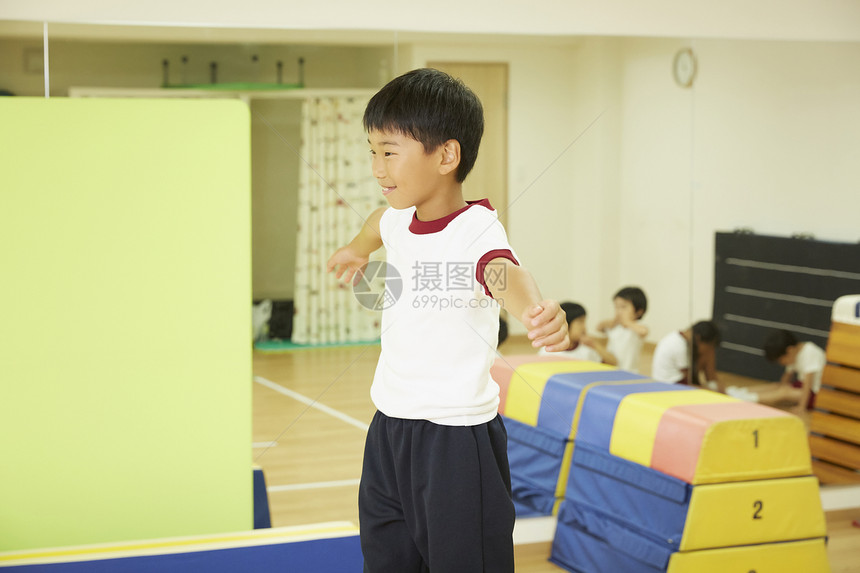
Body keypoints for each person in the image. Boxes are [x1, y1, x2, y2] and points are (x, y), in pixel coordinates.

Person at [326, 68, 569, 573]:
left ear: (446, 156)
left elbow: (500, 271)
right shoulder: (398, 218)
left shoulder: (475, 228)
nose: (377, 166)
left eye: (389, 151)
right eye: (372, 150)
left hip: (455, 442)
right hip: (388, 431)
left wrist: (533, 311)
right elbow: (377, 223)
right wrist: (356, 249)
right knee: (389, 561)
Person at [727, 329, 825, 415]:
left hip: (816, 394)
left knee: (784, 392)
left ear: (789, 351)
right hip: (803, 387)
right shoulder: (794, 353)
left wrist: (801, 407)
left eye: (781, 360)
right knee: (778, 386)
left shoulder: (810, 352)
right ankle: (740, 391)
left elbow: (808, 384)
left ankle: (747, 398)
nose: (782, 364)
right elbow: (786, 377)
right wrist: (780, 386)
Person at [651, 320, 722, 390]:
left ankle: (715, 386)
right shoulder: (680, 347)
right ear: (698, 338)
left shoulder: (679, 337)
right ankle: (716, 387)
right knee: (708, 390)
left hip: (672, 379)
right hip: (669, 384)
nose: (708, 350)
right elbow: (689, 379)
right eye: (709, 346)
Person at [539, 302, 617, 364]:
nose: (584, 327)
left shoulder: (587, 349)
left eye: (584, 322)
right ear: (565, 324)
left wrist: (595, 345)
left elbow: (613, 364)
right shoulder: (549, 351)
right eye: (580, 322)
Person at [596, 286, 649, 373]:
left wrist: (627, 323)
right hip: (611, 367)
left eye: (623, 307)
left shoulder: (636, 327)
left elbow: (644, 331)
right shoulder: (615, 326)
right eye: (616, 307)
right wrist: (613, 322)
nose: (619, 311)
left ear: (639, 311)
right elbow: (599, 327)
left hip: (629, 371)